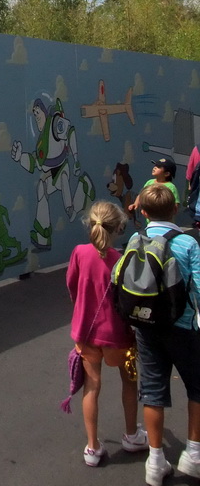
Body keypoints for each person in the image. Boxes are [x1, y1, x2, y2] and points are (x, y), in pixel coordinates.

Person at [66, 200, 147, 466]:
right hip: (117, 334)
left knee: (92, 386)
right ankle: (132, 434)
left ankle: (92, 447)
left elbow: (72, 286)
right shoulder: (120, 259)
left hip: (86, 333)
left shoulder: (78, 252)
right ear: (118, 229)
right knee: (129, 381)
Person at [132, 183, 200, 486]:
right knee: (197, 388)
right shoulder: (188, 244)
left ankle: (155, 461)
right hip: (183, 327)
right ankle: (194, 455)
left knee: (153, 391)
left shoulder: (136, 238)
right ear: (175, 208)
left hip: (146, 327)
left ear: (144, 213)